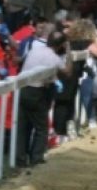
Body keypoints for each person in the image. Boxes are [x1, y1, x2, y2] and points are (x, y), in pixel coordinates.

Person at [17, 26, 73, 167]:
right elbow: (68, 72)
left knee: (23, 127)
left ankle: (20, 160)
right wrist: (68, 50)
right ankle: (36, 158)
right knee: (42, 127)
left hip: (22, 90)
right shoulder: (54, 58)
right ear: (60, 45)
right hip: (36, 93)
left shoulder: (34, 50)